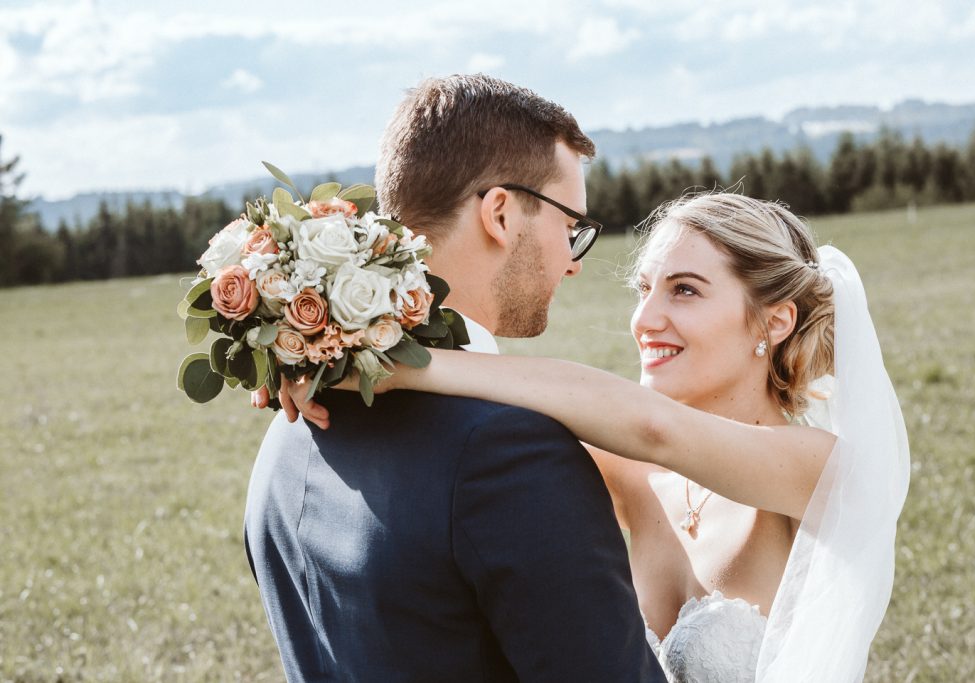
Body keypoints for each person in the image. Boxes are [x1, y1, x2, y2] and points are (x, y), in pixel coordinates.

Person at [283, 192, 911, 682]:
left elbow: (651, 426)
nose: (645, 319)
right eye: (645, 289)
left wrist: (408, 367)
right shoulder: (634, 475)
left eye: (684, 290)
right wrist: (328, 356)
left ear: (775, 321)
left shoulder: (820, 469)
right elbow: (483, 426)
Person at [243, 74, 666, 682]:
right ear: (499, 213)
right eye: (570, 225)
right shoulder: (510, 453)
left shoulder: (291, 424)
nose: (572, 262)